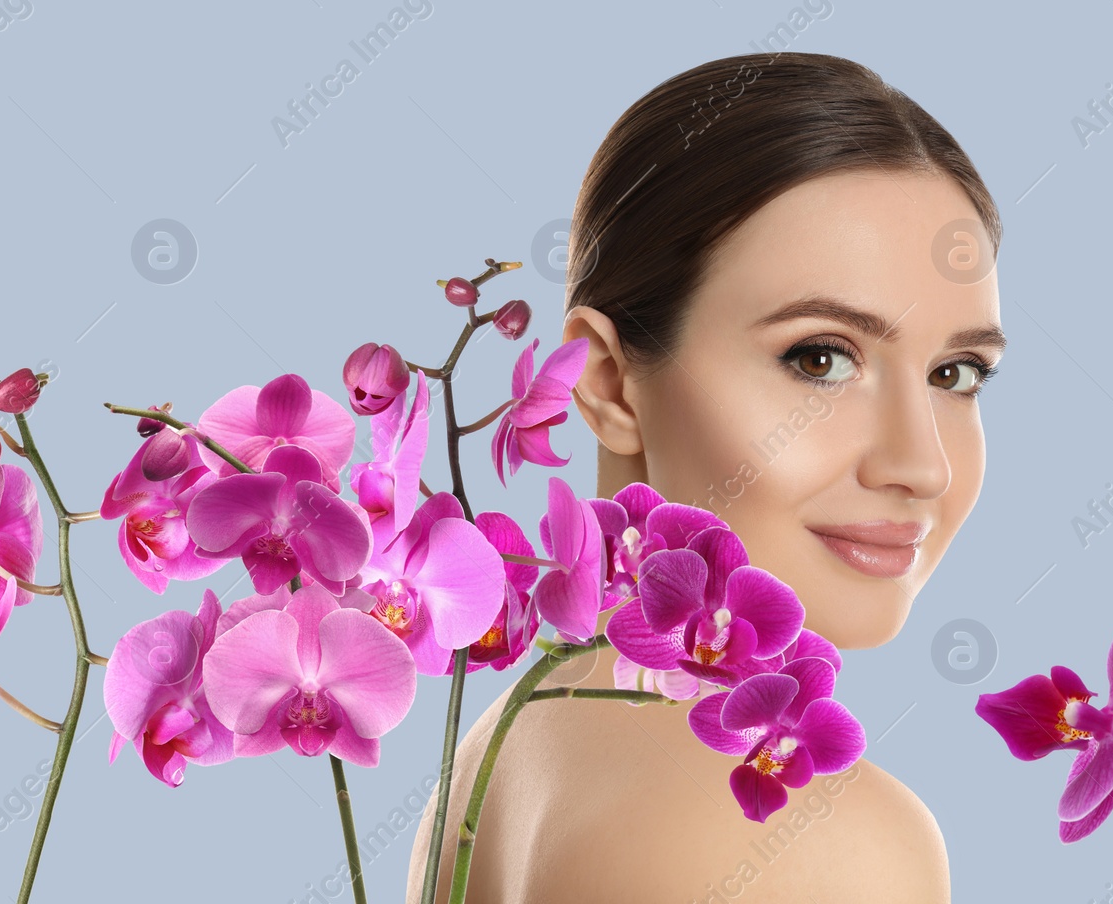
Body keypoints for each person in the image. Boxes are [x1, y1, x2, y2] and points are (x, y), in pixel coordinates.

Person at [406, 50, 1005, 903]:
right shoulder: (821, 840)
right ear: (609, 383)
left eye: (957, 374)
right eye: (821, 358)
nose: (921, 465)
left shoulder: (504, 757)